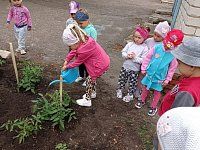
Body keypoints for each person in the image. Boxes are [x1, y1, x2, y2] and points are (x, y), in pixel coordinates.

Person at [135, 29, 184, 116]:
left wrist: (167, 79)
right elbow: (148, 57)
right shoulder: (157, 47)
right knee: (145, 88)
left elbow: (172, 69)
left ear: (175, 46)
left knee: (157, 92)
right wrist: (144, 68)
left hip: (160, 78)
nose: (166, 46)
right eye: (166, 43)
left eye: (170, 45)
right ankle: (141, 100)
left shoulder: (173, 55)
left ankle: (153, 106)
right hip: (149, 74)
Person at [62, 24, 110, 107]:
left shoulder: (84, 50)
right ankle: (93, 93)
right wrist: (67, 60)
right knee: (92, 79)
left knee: (89, 80)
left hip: (99, 66)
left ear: (76, 42)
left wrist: (67, 66)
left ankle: (87, 100)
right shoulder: (84, 41)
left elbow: (78, 62)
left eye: (70, 45)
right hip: (103, 62)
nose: (69, 47)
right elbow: (74, 51)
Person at [159, 37, 200, 116]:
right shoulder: (193, 79)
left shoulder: (187, 92)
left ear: (192, 66)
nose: (177, 65)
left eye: (179, 63)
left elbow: (176, 118)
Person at [135, 21, 171, 100]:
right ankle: (138, 89)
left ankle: (144, 93)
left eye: (159, 36)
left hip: (154, 68)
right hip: (144, 65)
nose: (155, 37)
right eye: (155, 34)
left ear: (164, 37)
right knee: (140, 78)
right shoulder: (149, 41)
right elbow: (142, 48)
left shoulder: (163, 45)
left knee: (148, 81)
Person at [116, 26, 149, 102]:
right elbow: (123, 52)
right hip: (125, 66)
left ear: (144, 38)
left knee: (132, 82)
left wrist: (134, 58)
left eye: (139, 37)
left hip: (135, 69)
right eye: (135, 37)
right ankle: (120, 90)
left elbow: (143, 60)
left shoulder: (144, 48)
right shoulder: (130, 44)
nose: (136, 39)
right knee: (122, 79)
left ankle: (130, 94)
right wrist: (127, 55)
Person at [74, 9, 98, 86]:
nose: (80, 25)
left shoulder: (92, 30)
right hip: (80, 51)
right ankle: (81, 76)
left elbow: (94, 42)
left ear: (87, 20)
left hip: (88, 53)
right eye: (78, 23)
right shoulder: (79, 28)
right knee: (80, 64)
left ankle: (88, 79)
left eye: (81, 23)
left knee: (87, 67)